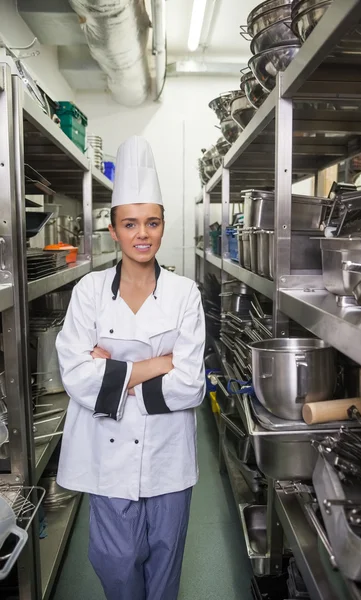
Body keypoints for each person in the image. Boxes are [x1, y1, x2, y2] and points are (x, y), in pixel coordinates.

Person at [55, 136, 206, 600]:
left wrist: (116, 369)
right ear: (114, 230)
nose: (143, 234)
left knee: (164, 562)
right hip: (105, 454)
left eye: (152, 223)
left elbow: (190, 385)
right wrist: (155, 364)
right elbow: (76, 375)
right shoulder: (90, 292)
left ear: (162, 227)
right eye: (131, 224)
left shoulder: (185, 294)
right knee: (115, 563)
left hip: (167, 456)